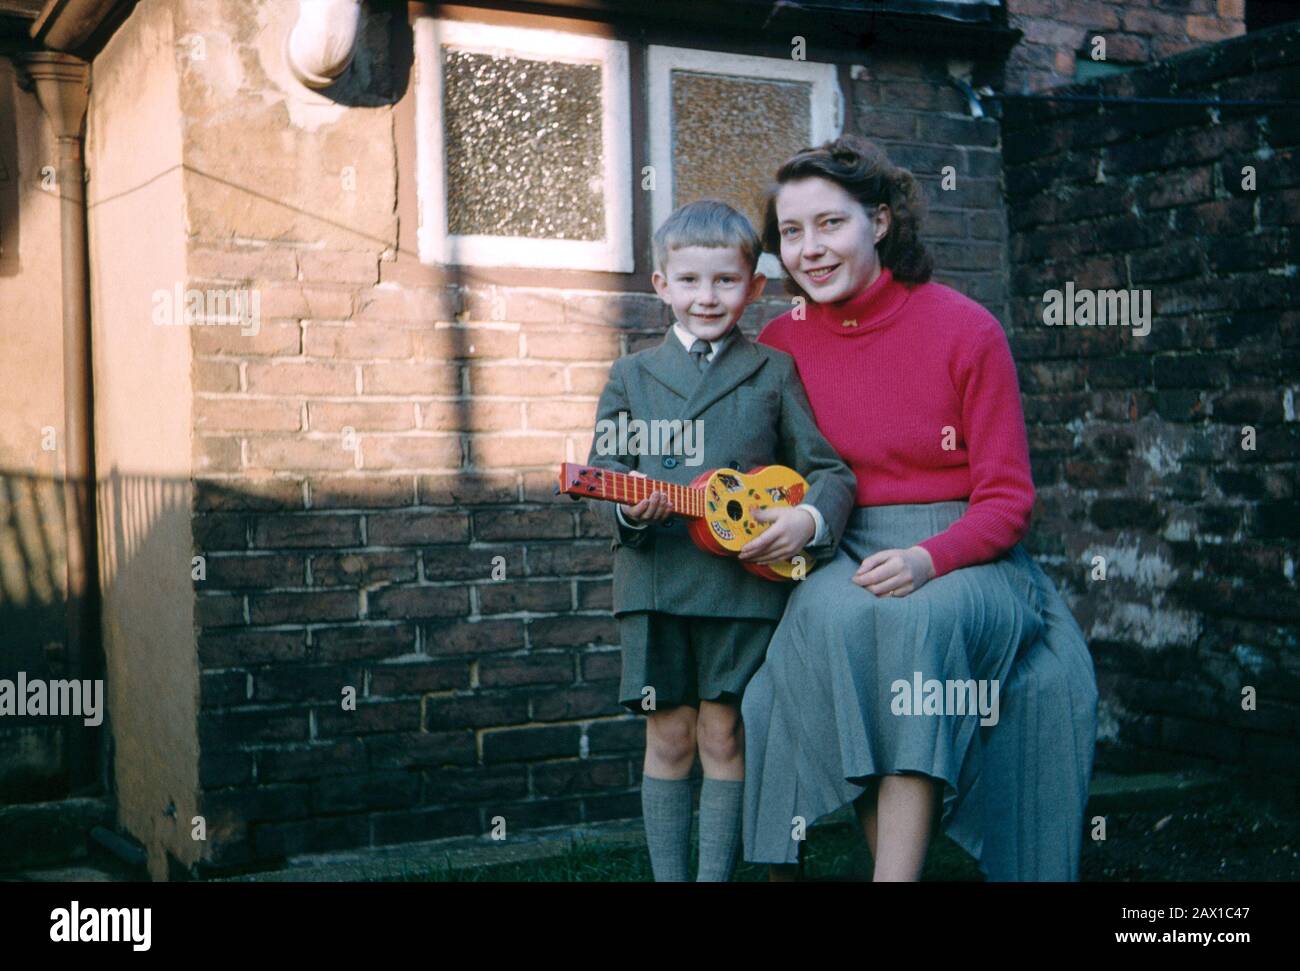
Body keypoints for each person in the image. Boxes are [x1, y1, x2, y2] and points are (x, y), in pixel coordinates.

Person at [739, 134, 1098, 882]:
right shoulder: (780, 342)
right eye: (792, 232)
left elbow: (1007, 500)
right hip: (840, 544)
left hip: (966, 550)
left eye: (830, 224)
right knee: (840, 616)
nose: (809, 249)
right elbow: (756, 476)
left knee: (913, 619)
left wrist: (926, 558)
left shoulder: (966, 330)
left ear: (879, 221)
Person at [584, 200, 857, 881]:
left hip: (742, 585)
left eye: (726, 282)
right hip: (656, 583)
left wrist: (808, 521)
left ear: (755, 287)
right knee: (669, 735)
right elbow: (605, 472)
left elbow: (828, 469)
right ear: (661, 284)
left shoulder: (772, 371)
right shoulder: (631, 376)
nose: (707, 298)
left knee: (724, 732)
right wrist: (630, 512)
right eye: (690, 281)